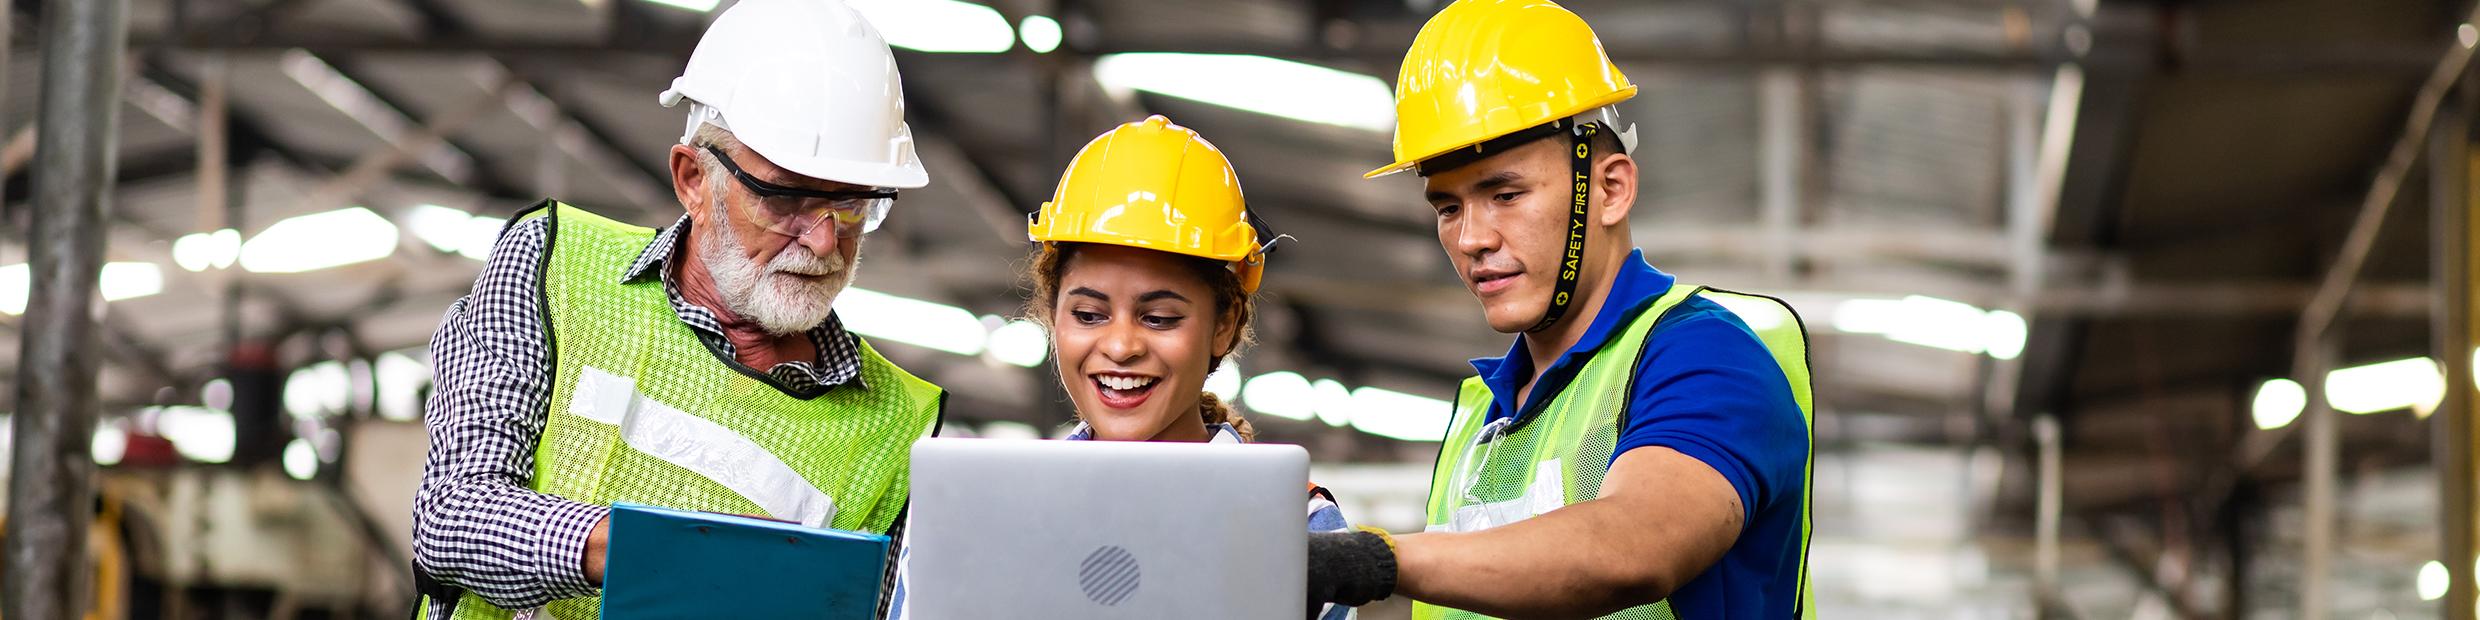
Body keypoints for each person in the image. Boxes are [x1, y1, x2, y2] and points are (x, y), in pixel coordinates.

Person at [407, 1, 944, 618]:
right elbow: (452, 513)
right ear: (693, 178)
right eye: (787, 198)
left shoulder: (896, 427)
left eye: (853, 206)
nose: (824, 241)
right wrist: (661, 550)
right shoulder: (556, 267)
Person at [1303, 0, 1818, 618]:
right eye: (1447, 208)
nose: (1472, 239)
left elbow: (1634, 546)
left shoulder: (1706, 355)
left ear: (1610, 189)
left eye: (1506, 194)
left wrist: (1372, 561)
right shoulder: (1483, 419)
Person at [885, 115, 1354, 620]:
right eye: (1089, 315)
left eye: (1159, 318)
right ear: (1053, 317)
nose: (1122, 345)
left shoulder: (1298, 527)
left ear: (1225, 323)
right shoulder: (973, 517)